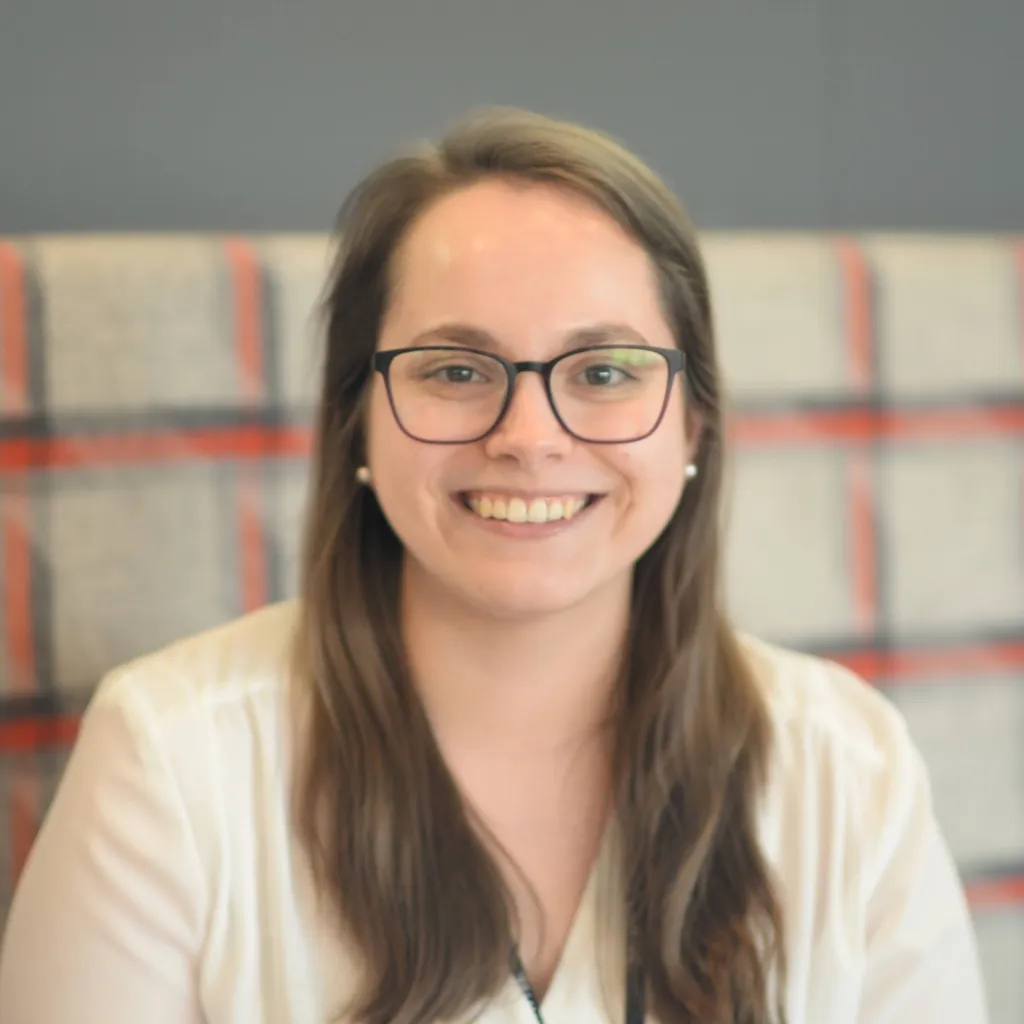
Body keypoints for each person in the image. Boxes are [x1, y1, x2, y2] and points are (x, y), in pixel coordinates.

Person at [0, 109, 989, 1024]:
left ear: (692, 421)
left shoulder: (846, 764)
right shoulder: (168, 757)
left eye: (603, 372)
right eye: (455, 370)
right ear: (359, 415)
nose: (528, 435)